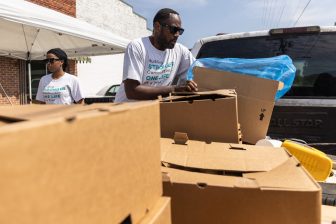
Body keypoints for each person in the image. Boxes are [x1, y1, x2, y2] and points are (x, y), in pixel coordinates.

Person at [114, 8, 198, 102]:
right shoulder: (137, 47)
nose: (177, 34)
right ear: (157, 26)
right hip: (127, 111)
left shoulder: (181, 51)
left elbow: (201, 72)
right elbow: (132, 91)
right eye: (174, 29)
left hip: (153, 110)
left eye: (180, 31)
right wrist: (174, 89)